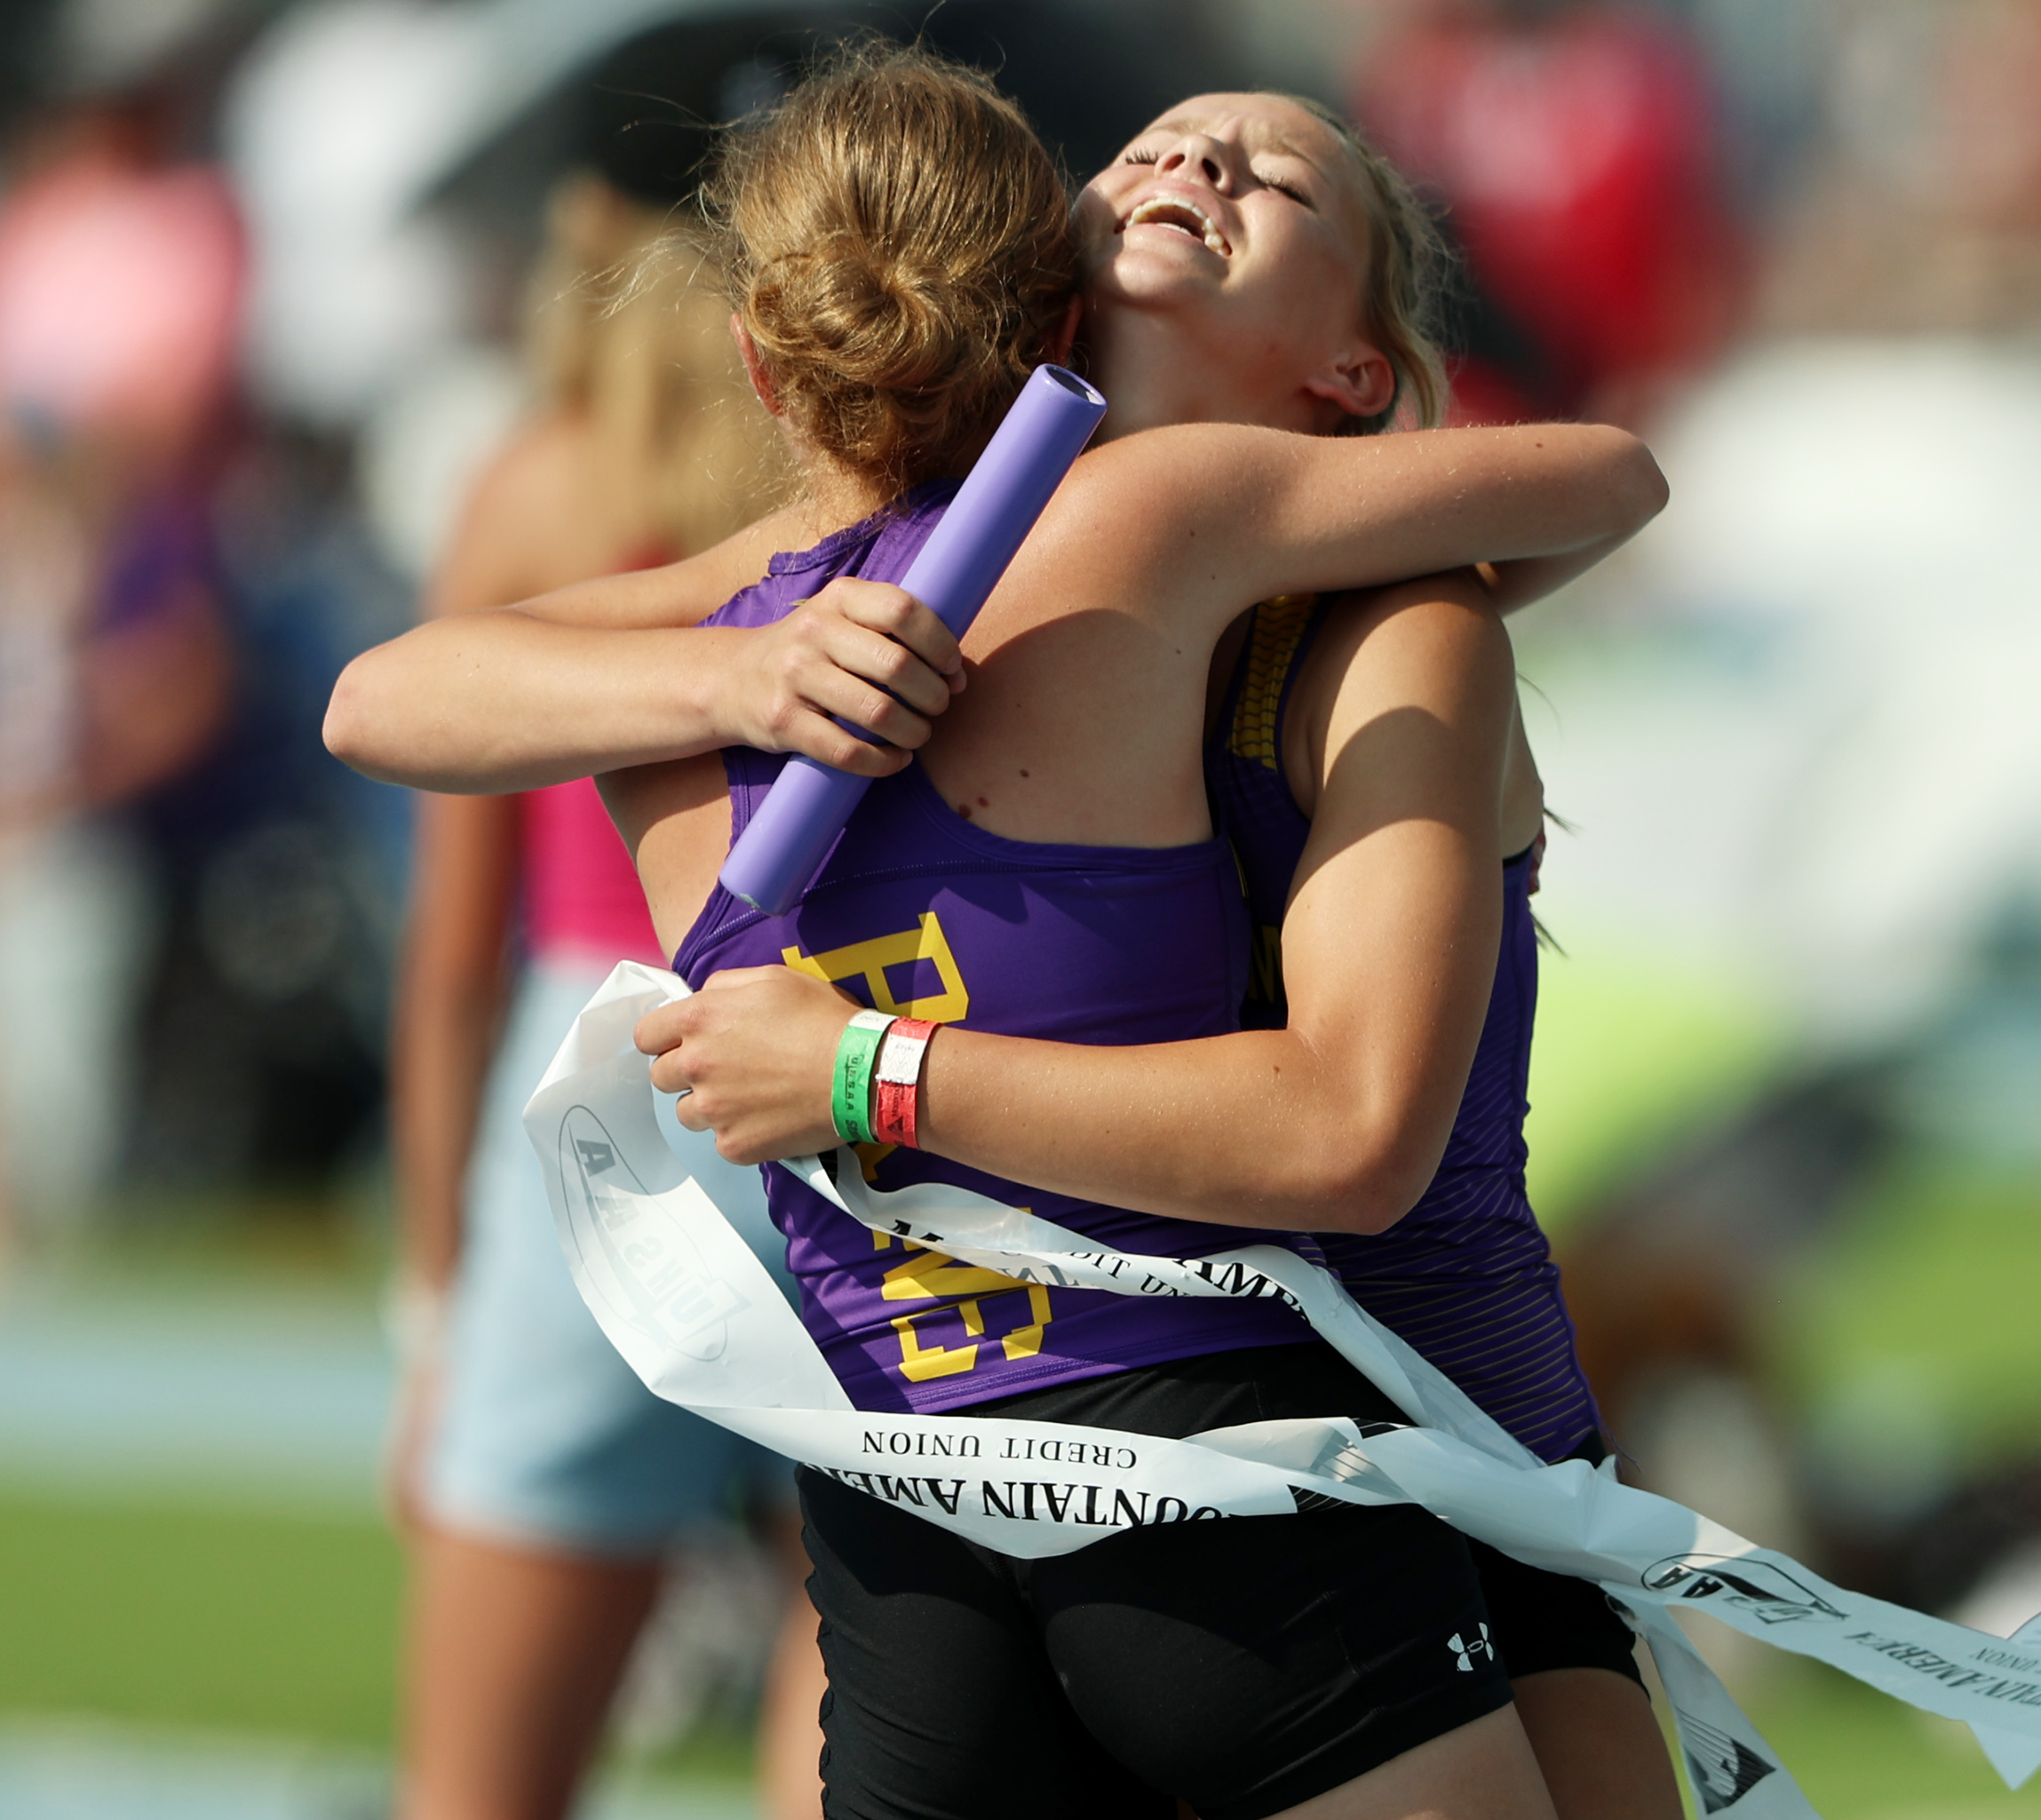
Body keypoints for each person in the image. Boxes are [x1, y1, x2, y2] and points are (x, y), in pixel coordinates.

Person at [325, 44, 1666, 1820]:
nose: (1197, 153)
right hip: (1030, 1484)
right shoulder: (867, 574)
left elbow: (1353, 1126)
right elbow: (391, 694)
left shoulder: (1374, 612)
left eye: (1278, 178)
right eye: (1160, 139)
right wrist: (740, 670)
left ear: (1354, 368)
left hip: (1431, 1443)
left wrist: (863, 1067)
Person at [382, 101, 820, 1820]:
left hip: (596, 1097)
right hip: (833, 1061)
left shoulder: (542, 482)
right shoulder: (880, 479)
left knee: (484, 1786)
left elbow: (446, 957)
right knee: (861, 1677)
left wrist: (431, 1307)